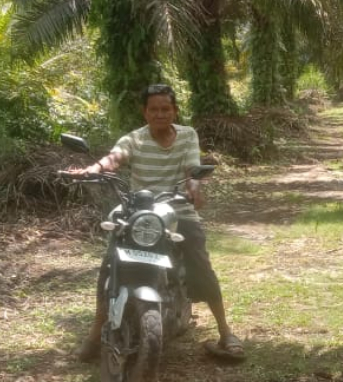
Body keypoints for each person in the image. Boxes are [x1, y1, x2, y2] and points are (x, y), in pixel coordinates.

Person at [71, 84, 245, 363]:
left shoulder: (188, 136)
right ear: (145, 112)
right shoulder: (135, 138)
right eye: (154, 109)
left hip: (177, 209)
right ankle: (95, 333)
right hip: (137, 209)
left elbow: (192, 169)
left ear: (175, 111)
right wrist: (95, 169)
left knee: (200, 262)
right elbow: (115, 157)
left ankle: (225, 332)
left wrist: (194, 186)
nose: (160, 114)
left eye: (166, 109)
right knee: (109, 260)